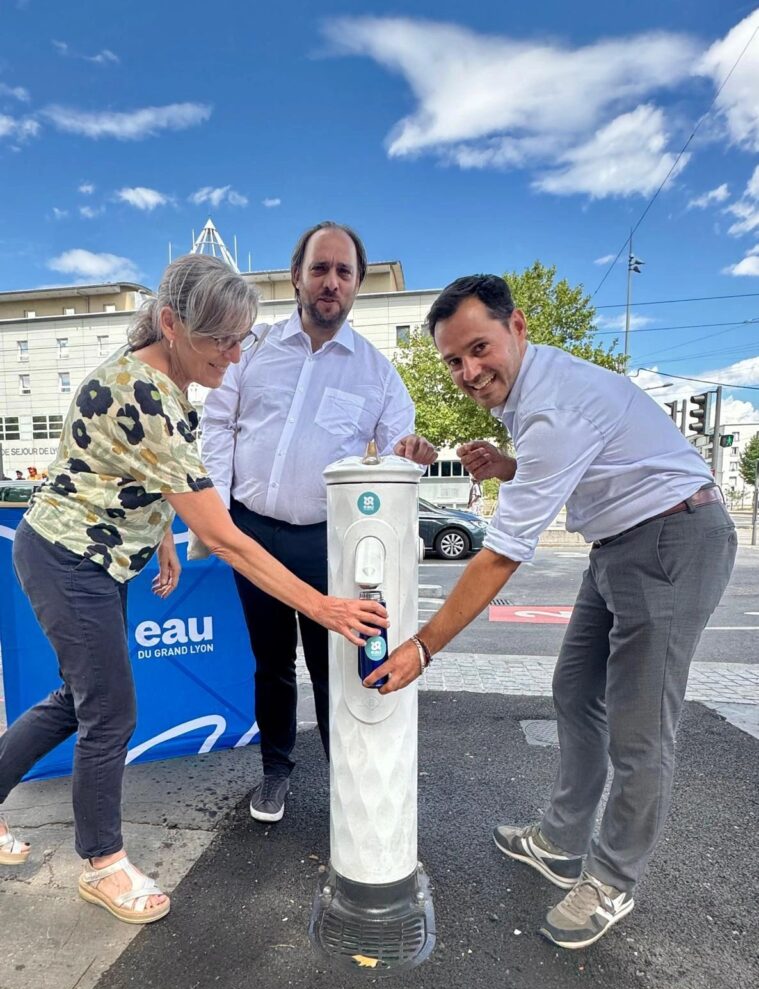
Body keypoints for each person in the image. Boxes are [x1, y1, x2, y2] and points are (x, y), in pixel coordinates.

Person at [0, 254, 388, 925]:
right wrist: (322, 606)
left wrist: (160, 543)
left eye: (243, 340)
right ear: (173, 324)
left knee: (78, 699)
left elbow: (113, 468)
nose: (235, 357)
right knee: (109, 711)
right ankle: (103, 863)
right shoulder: (146, 393)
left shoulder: (161, 383)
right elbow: (231, 539)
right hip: (69, 559)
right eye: (222, 340)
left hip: (87, 555)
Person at [364, 274, 737, 950]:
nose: (469, 372)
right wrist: (507, 466)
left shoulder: (553, 408)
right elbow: (592, 464)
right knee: (574, 690)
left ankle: (611, 879)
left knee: (640, 727)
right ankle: (560, 840)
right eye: (453, 360)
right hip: (618, 541)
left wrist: (420, 647)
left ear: (518, 328)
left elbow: (500, 555)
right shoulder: (532, 398)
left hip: (673, 537)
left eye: (479, 348)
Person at [201, 221, 436, 823]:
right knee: (271, 664)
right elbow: (217, 427)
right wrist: (220, 519)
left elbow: (396, 452)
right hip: (253, 533)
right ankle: (276, 771)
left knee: (334, 667)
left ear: (356, 285)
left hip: (327, 543)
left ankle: (345, 777)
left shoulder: (377, 373)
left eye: (344, 272)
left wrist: (411, 452)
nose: (331, 282)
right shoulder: (250, 349)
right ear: (296, 276)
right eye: (320, 269)